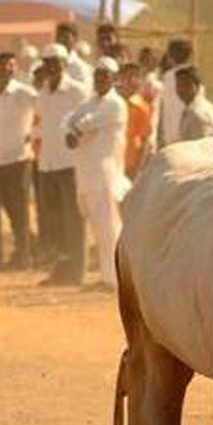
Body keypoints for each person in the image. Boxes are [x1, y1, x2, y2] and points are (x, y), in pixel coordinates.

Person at [64, 57, 129, 290]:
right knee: (98, 229)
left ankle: (115, 279)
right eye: (98, 74)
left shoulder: (116, 104)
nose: (100, 79)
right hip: (87, 173)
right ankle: (106, 277)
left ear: (114, 79)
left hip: (106, 174)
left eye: (105, 75)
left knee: (110, 229)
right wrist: (72, 129)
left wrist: (75, 130)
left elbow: (86, 123)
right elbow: (67, 121)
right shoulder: (90, 101)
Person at [35, 44, 88, 285]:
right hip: (48, 163)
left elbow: (84, 124)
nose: (53, 67)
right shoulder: (44, 91)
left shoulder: (77, 91)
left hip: (70, 164)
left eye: (57, 62)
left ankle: (76, 271)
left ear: (65, 64)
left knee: (73, 220)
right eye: (48, 63)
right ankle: (60, 270)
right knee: (55, 221)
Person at [0, 51, 39, 268]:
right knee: (8, 208)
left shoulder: (24, 93)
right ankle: (23, 249)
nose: (7, 69)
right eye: (3, 65)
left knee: (20, 209)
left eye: (11, 66)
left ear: (15, 69)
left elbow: (44, 111)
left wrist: (32, 136)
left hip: (19, 158)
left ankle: (24, 255)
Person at [117, 61, 154, 179]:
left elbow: (144, 140)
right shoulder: (114, 102)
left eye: (136, 77)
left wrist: (138, 168)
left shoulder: (142, 107)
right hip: (113, 159)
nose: (132, 80)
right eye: (128, 76)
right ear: (120, 79)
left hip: (130, 162)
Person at [156, 39, 195, 147]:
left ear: (170, 56)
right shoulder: (195, 74)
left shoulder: (168, 77)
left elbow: (165, 106)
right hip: (190, 131)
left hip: (172, 132)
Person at [175, 65, 213, 142]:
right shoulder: (192, 108)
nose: (181, 89)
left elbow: (200, 148)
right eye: (178, 85)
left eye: (186, 85)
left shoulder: (198, 113)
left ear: (197, 86)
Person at [55, 22, 92, 87]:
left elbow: (84, 92)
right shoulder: (47, 65)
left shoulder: (81, 67)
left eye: (66, 37)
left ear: (75, 39)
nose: (61, 40)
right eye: (58, 36)